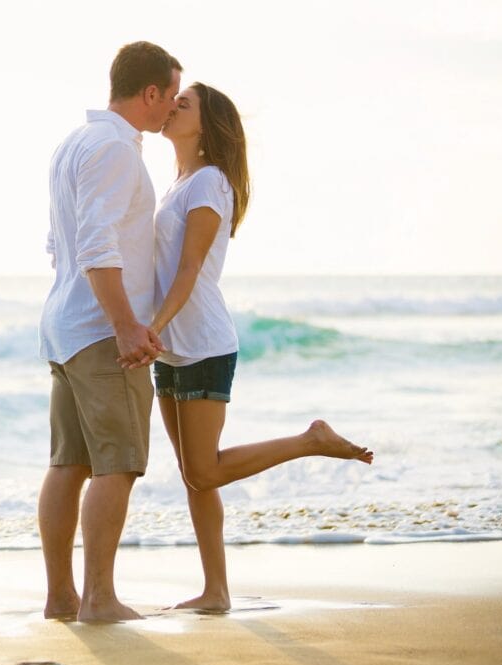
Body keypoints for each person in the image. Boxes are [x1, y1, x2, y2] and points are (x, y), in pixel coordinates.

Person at [121, 82, 374, 611]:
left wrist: (154, 327)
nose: (171, 107)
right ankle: (216, 591)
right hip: (172, 346)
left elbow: (190, 269)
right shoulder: (179, 183)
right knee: (196, 477)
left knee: (205, 470)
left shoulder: (210, 182)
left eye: (182, 104)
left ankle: (310, 440)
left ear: (207, 126)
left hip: (202, 343)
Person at [38, 41, 181, 623]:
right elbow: (97, 244)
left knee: (67, 464)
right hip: (99, 330)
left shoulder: (75, 142)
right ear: (150, 93)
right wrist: (125, 325)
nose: (172, 108)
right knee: (115, 464)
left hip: (65, 322)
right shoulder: (116, 150)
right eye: (170, 97)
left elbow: (60, 245)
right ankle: (99, 598)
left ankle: (61, 599)